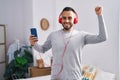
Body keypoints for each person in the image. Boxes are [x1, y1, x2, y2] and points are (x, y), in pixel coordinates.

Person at [29, 6, 107, 80]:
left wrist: (99, 15)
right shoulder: (53, 35)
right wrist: (34, 44)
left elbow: (102, 37)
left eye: (69, 18)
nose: (66, 20)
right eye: (64, 18)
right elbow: (42, 49)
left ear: (75, 20)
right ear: (60, 19)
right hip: (56, 78)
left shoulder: (82, 35)